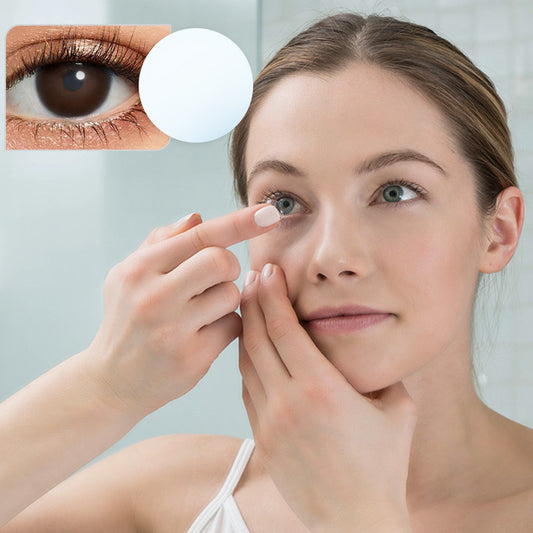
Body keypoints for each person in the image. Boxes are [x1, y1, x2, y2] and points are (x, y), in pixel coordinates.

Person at [2, 10, 532, 532]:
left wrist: (355, 518)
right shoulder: (168, 498)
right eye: (283, 202)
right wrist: (103, 385)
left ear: (500, 230)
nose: (331, 257)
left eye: (395, 192)